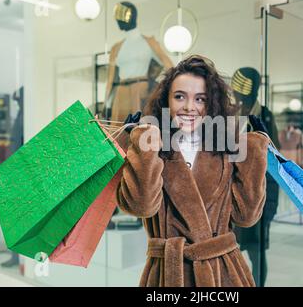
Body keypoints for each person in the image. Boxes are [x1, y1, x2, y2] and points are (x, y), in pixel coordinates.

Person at [117, 55, 271, 287]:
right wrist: (141, 145)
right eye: (180, 97)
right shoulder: (153, 149)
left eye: (200, 99)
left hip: (222, 274)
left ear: (211, 105)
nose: (190, 107)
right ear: (166, 101)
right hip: (168, 274)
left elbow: (246, 217)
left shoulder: (227, 149)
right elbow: (141, 206)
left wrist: (255, 150)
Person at [230, 67, 280, 287]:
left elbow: (274, 162)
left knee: (256, 253)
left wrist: (269, 206)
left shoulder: (265, 116)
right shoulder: (232, 114)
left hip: (258, 196)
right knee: (231, 253)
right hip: (233, 196)